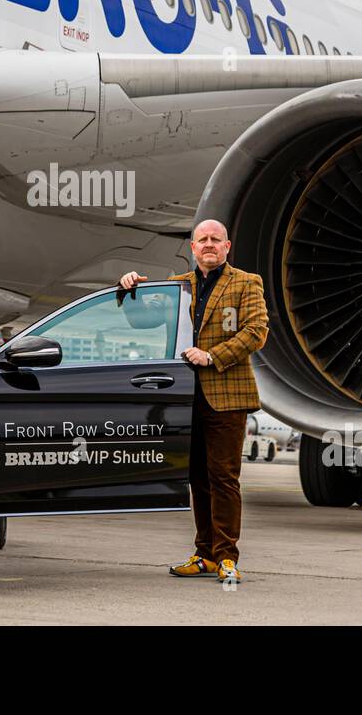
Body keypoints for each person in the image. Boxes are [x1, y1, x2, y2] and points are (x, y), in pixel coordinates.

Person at [118, 219, 268, 585]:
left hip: (227, 397)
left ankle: (227, 556)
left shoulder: (247, 283)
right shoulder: (177, 287)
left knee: (224, 479)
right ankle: (204, 554)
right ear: (192, 247)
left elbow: (256, 331)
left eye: (216, 239)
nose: (209, 244)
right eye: (202, 240)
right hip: (185, 397)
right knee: (197, 479)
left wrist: (212, 356)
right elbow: (144, 321)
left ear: (227, 246)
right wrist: (129, 291)